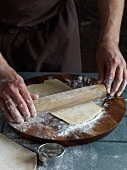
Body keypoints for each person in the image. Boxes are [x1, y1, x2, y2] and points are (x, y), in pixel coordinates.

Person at [0, 0, 126, 124]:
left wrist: (109, 41)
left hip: (58, 27)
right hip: (4, 36)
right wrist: (2, 69)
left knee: (70, 92)